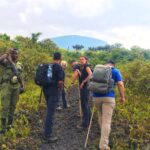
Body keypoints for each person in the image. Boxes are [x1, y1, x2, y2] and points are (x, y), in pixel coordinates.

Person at [92, 60, 125, 150]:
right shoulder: (115, 71)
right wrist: (122, 97)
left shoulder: (98, 70)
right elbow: (120, 84)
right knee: (107, 121)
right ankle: (103, 146)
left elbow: (92, 80)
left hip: (96, 97)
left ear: (105, 64)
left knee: (100, 116)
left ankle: (103, 135)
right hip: (108, 98)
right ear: (113, 65)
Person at [0, 48, 24, 134]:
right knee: (5, 107)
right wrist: (7, 54)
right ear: (11, 54)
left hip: (16, 87)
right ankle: (3, 128)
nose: (15, 55)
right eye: (13, 53)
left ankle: (9, 125)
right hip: (7, 86)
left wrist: (22, 86)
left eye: (16, 54)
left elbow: (21, 76)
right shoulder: (6, 62)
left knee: (12, 106)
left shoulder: (20, 65)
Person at [42, 52, 63, 142]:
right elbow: (60, 81)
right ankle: (48, 135)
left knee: (49, 111)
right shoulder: (59, 67)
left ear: (53, 57)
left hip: (46, 91)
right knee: (50, 113)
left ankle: (47, 131)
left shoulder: (48, 65)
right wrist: (59, 91)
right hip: (53, 92)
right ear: (60, 58)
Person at [71, 56, 92, 129]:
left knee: (84, 104)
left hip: (85, 87)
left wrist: (83, 82)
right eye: (80, 59)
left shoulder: (86, 66)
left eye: (82, 59)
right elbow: (82, 75)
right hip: (85, 87)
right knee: (85, 103)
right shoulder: (82, 67)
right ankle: (88, 119)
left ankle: (85, 124)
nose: (81, 60)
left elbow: (90, 74)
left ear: (86, 60)